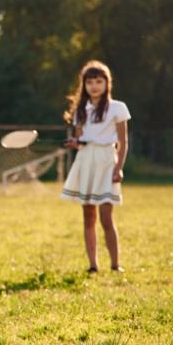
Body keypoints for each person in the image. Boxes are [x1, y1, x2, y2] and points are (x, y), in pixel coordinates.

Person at [60, 61, 131, 274]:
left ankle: (115, 264)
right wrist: (75, 143)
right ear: (84, 84)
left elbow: (123, 141)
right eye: (90, 82)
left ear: (107, 83)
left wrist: (118, 167)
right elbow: (81, 139)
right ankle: (93, 265)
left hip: (107, 161)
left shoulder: (118, 108)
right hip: (86, 160)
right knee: (88, 215)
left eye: (99, 81)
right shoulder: (80, 110)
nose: (94, 86)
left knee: (106, 217)